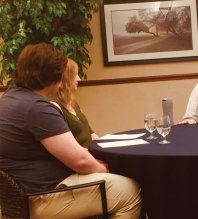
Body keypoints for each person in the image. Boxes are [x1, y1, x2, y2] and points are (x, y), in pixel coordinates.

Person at [0, 43, 142, 219]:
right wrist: (102, 168)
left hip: (21, 197)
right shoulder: (37, 108)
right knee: (131, 191)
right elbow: (81, 162)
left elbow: (65, 150)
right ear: (54, 77)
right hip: (43, 198)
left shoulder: (9, 99)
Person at [53, 58, 98, 149]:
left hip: (92, 153)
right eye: (75, 75)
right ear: (66, 79)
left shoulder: (74, 103)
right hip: (80, 157)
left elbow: (91, 134)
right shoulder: (54, 106)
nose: (79, 79)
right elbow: (66, 148)